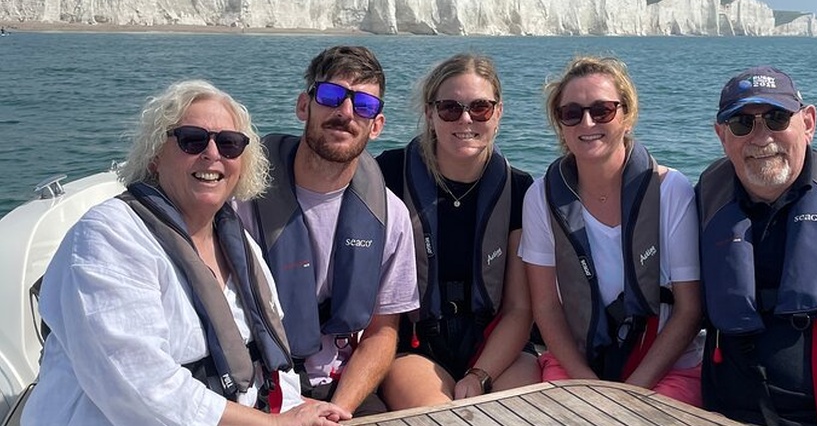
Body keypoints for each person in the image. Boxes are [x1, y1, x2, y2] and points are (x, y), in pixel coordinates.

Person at [21, 80, 350, 426]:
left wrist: (298, 412)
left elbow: (272, 365)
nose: (212, 154)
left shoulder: (239, 243)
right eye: (192, 139)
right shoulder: (106, 237)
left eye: (229, 144)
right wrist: (271, 424)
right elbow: (138, 383)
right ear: (155, 156)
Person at [235, 46, 419, 416]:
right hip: (256, 385)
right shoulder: (241, 201)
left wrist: (337, 410)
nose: (346, 113)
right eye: (332, 96)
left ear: (377, 125)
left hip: (343, 392)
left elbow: (383, 331)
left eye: (364, 105)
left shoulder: (390, 216)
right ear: (304, 105)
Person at [520, 55, 704, 406]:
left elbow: (688, 309)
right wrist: (588, 383)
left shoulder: (670, 190)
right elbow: (545, 307)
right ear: (560, 124)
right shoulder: (540, 197)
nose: (587, 122)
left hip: (666, 368)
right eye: (571, 113)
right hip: (576, 364)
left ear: (627, 116)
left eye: (602, 110)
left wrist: (629, 393)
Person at [697, 66, 817, 425]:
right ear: (721, 135)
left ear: (808, 123)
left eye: (776, 118)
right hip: (731, 415)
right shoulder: (700, 208)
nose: (761, 138)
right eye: (742, 124)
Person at [375, 54, 540, 408]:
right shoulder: (388, 174)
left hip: (499, 344)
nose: (465, 119)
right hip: (415, 346)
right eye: (450, 108)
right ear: (430, 113)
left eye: (480, 108)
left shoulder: (520, 191)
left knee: (517, 414)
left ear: (497, 114)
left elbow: (518, 308)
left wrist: (479, 375)